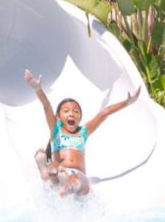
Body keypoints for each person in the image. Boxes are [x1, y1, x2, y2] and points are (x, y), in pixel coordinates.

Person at [24, 69, 141, 197]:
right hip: (59, 170)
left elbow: (104, 113)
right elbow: (46, 106)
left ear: (80, 118)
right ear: (58, 117)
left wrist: (127, 102)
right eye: (66, 111)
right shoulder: (55, 131)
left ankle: (54, 178)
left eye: (76, 111)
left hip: (72, 173)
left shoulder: (83, 132)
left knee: (78, 179)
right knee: (70, 176)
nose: (71, 114)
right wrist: (37, 90)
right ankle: (49, 175)